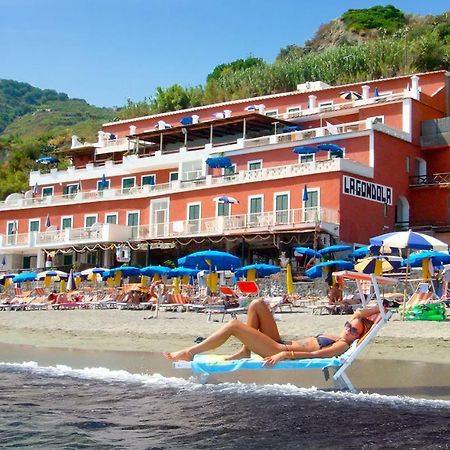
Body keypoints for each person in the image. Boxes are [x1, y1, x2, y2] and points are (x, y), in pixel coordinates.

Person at [164, 298, 378, 365]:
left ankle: (189, 353)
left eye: (353, 331)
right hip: (280, 341)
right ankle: (244, 351)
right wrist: (381, 308)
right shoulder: (343, 332)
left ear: (357, 337)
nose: (349, 328)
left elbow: (314, 355)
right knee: (257, 304)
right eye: (349, 326)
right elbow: (359, 312)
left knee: (233, 325)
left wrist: (284, 354)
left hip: (277, 348)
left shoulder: (341, 345)